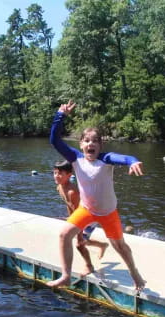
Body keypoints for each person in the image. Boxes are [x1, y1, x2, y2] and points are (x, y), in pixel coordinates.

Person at [49, 100, 145, 291]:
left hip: (108, 212)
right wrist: (60, 115)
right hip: (86, 210)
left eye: (95, 141)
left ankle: (135, 274)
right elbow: (54, 140)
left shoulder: (106, 159)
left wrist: (133, 161)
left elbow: (124, 158)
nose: (90, 144)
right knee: (63, 235)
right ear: (81, 144)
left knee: (119, 246)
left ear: (100, 145)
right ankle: (66, 275)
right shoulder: (75, 158)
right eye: (86, 140)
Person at [53, 160, 108, 276]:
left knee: (80, 244)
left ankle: (89, 266)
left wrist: (78, 232)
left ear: (69, 175)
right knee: (84, 240)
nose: (56, 176)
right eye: (55, 173)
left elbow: (81, 213)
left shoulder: (72, 192)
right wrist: (70, 218)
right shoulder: (60, 187)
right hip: (81, 215)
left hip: (90, 217)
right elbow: (70, 205)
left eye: (60, 174)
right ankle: (102, 245)